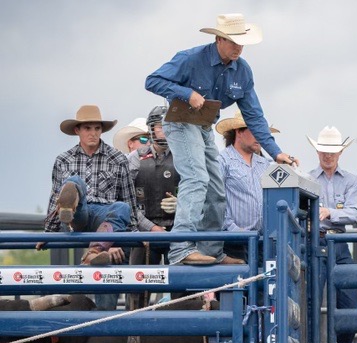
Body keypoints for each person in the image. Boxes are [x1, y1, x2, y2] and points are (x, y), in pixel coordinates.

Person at [145, 13, 297, 265]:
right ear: (218, 39)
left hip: (203, 127)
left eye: (241, 42)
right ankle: (181, 248)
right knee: (197, 177)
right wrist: (185, 92)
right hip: (180, 123)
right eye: (232, 41)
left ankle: (212, 250)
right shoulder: (191, 58)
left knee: (216, 188)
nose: (238, 47)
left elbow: (254, 115)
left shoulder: (243, 71)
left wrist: (275, 152)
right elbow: (152, 81)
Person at [41, 105, 138, 272]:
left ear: (101, 131)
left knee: (123, 207)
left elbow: (129, 198)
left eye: (97, 128)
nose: (93, 133)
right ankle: (70, 204)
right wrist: (48, 233)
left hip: (106, 217)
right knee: (74, 182)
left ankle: (94, 251)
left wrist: (130, 235)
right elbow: (54, 197)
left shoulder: (118, 159)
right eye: (87, 128)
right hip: (78, 216)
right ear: (77, 130)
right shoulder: (63, 160)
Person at [307, 125, 357, 343]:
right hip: (314, 241)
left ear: (340, 152)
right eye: (324, 150)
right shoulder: (307, 178)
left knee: (351, 306)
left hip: (338, 244)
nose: (328, 155)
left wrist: (330, 212)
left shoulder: (351, 180)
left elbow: (356, 213)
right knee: (310, 303)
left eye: (332, 151)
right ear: (317, 152)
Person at [217, 111, 277, 263]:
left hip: (262, 241)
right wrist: (232, 228)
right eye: (255, 131)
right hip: (233, 242)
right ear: (239, 132)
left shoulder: (264, 164)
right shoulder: (222, 161)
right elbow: (216, 200)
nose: (260, 136)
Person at [129, 105, 179, 268]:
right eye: (160, 126)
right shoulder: (135, 158)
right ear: (152, 128)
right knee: (137, 286)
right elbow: (127, 201)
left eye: (169, 126)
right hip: (144, 233)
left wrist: (181, 205)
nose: (165, 130)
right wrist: (151, 228)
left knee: (181, 286)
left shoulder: (184, 158)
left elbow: (198, 195)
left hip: (177, 231)